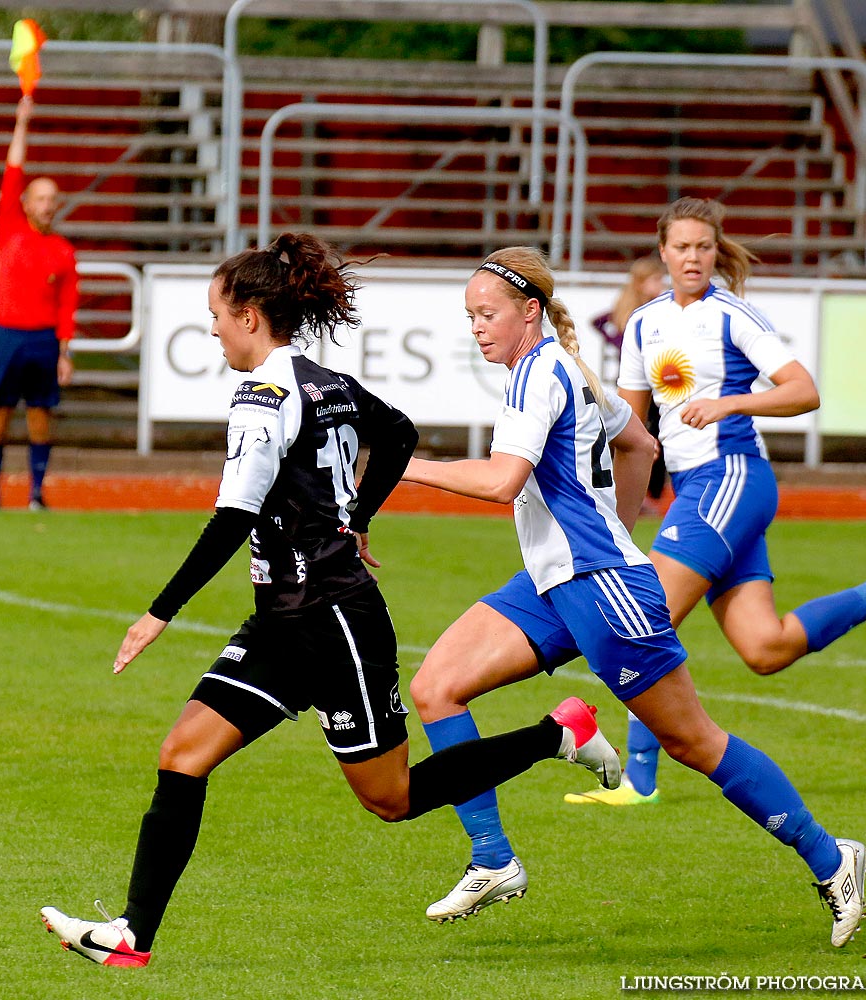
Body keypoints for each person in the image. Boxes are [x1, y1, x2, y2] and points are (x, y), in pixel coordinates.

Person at [37, 233, 622, 968]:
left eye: (216, 313)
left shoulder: (264, 395)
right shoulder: (326, 381)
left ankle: (556, 735)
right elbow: (400, 432)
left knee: (392, 798)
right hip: (282, 622)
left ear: (250, 315)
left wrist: (161, 611)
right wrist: (359, 515)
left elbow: (234, 517)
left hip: (337, 620)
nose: (211, 327)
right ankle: (132, 934)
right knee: (183, 754)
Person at [403, 246, 866, 948]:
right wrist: (617, 526)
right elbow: (641, 445)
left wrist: (402, 468)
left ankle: (834, 860)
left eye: (487, 313)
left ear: (529, 312)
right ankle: (493, 858)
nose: (477, 327)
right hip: (557, 582)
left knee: (692, 741)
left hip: (600, 588)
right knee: (437, 687)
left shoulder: (542, 374)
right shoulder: (560, 368)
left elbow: (503, 481)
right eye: (470, 316)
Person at [567, 197, 866, 808]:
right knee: (765, 648)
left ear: (715, 250)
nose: (693, 257)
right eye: (681, 247)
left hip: (730, 475)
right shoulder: (644, 324)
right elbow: (632, 430)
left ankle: (639, 783)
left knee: (644, 620)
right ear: (664, 251)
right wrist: (615, 512)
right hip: (700, 487)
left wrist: (732, 403)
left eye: (704, 246)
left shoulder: (734, 315)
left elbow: (803, 391)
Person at [0, 95, 78, 511]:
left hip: (42, 339)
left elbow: (67, 305)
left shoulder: (63, 250)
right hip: (8, 335)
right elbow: (13, 170)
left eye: (52, 200)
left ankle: (36, 492)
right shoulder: (10, 228)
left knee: (41, 415)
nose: (47, 205)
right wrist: (21, 122)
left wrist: (64, 352)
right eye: (40, 198)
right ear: (26, 203)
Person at [592, 255, 669, 508]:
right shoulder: (635, 313)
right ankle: (631, 492)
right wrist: (623, 345)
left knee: (655, 433)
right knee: (635, 433)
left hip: (657, 380)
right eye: (656, 279)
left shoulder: (657, 310)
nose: (661, 284)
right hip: (636, 381)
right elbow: (600, 321)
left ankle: (649, 494)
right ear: (640, 283)